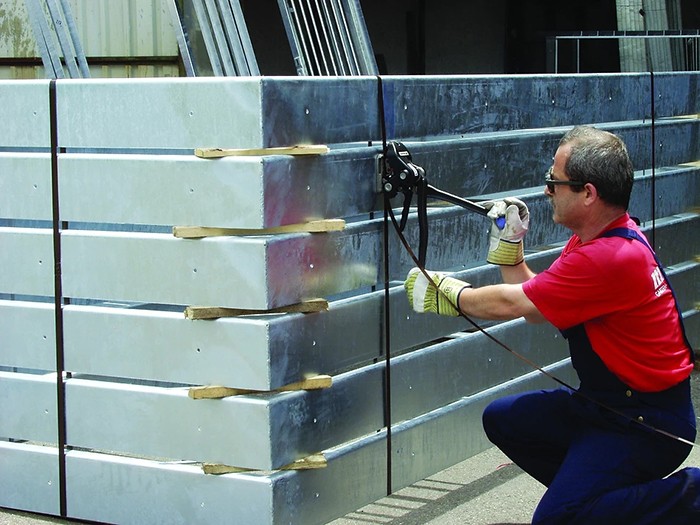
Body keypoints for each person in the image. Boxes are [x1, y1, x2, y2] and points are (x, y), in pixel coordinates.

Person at [404, 125, 699, 524]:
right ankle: (596, 502)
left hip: (647, 424)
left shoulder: (611, 257)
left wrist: (453, 294)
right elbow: (537, 305)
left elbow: (515, 303)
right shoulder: (595, 240)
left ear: (588, 193)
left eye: (554, 182)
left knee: (557, 519)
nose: (546, 190)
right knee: (505, 420)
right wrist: (511, 249)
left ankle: (685, 497)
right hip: (606, 405)